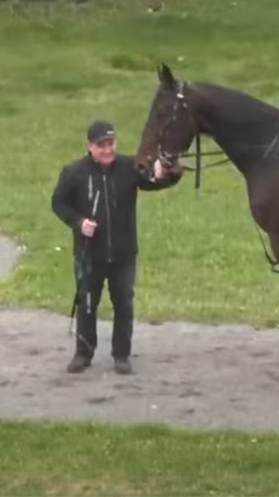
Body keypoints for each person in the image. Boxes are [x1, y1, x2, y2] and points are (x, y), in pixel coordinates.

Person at [51, 120, 182, 375]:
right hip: (89, 255)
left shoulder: (128, 167)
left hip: (123, 254)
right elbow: (59, 203)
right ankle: (83, 353)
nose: (107, 150)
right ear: (90, 146)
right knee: (87, 305)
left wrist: (168, 173)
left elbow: (154, 181)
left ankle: (121, 355)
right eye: (101, 145)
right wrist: (78, 223)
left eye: (110, 144)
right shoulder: (74, 173)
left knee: (124, 305)